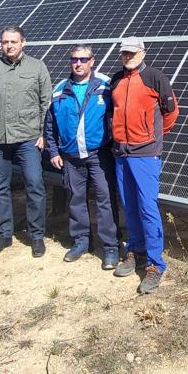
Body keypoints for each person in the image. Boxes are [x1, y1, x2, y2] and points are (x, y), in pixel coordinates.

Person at [0, 26, 52, 257]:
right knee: (0, 187)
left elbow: (46, 104)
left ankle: (36, 235)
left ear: (23, 43)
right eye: (5, 41)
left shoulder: (37, 67)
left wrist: (44, 134)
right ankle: (4, 234)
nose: (9, 45)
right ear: (1, 43)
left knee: (34, 184)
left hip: (28, 138)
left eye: (14, 41)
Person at [110, 38, 178, 293]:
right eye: (124, 53)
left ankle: (154, 264)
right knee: (129, 206)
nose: (127, 57)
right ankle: (134, 251)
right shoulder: (116, 80)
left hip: (145, 153)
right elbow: (112, 113)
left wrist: (153, 137)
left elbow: (170, 112)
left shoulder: (154, 77)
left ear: (142, 52)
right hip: (121, 153)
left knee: (148, 207)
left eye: (131, 53)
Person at [44, 45, 119, 269]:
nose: (78, 63)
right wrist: (54, 151)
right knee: (76, 200)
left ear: (92, 61)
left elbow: (117, 117)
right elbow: (50, 126)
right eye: (74, 59)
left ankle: (110, 247)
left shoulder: (105, 87)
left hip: (99, 155)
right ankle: (80, 242)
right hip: (71, 157)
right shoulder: (59, 91)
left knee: (105, 200)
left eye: (83, 59)